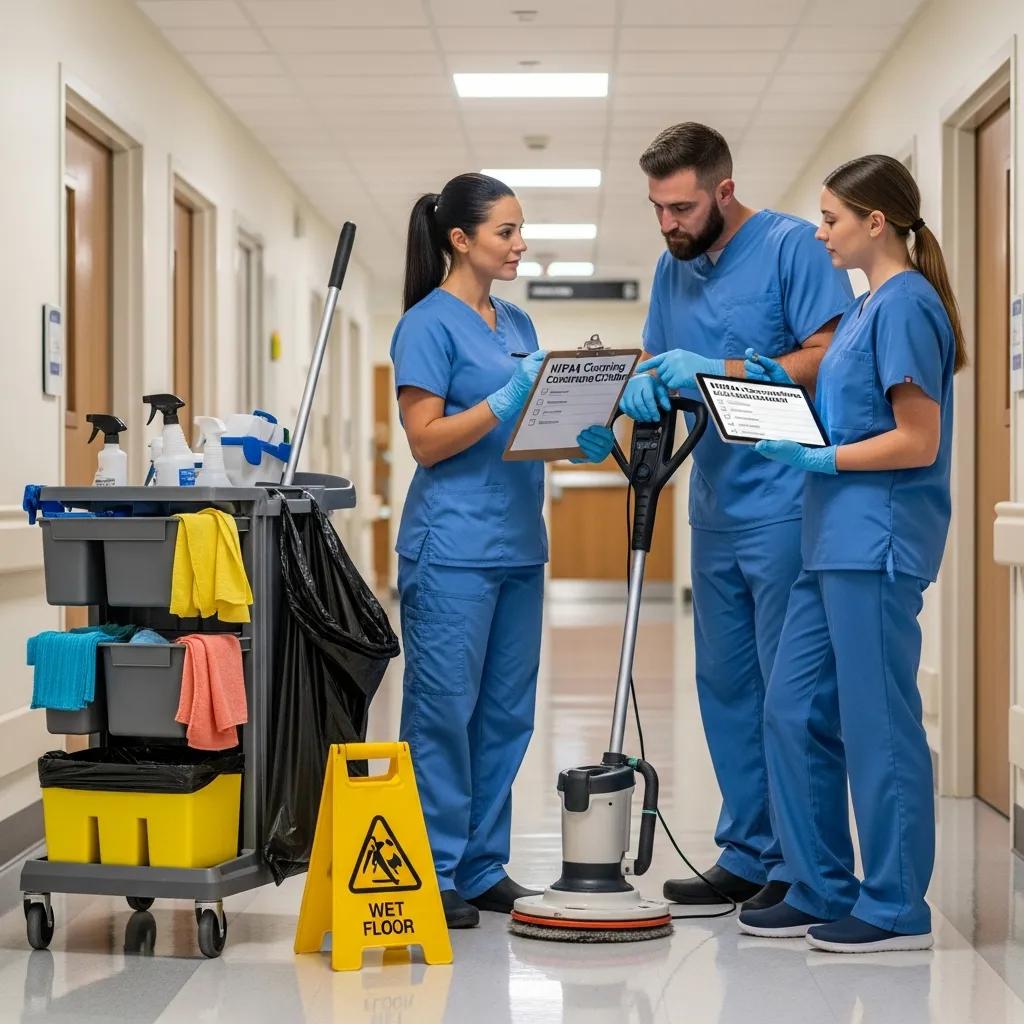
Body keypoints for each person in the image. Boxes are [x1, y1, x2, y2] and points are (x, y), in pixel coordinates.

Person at [620, 123, 854, 910]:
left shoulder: (792, 248)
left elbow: (828, 353)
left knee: (793, 700)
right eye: (656, 208)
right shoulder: (670, 268)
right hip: (714, 506)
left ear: (723, 190)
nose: (668, 224)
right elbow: (662, 363)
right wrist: (648, 385)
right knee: (725, 688)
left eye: (681, 207)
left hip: (787, 504)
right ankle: (748, 851)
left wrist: (711, 371)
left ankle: (802, 865)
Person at [738, 154, 964, 952]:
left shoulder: (907, 304)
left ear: (877, 221)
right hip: (826, 540)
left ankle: (897, 905)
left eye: (832, 218)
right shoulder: (868, 308)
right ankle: (820, 883)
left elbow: (916, 438)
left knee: (878, 724)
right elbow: (854, 412)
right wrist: (780, 390)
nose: (821, 232)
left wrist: (826, 459)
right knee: (792, 707)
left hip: (876, 541)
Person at [391, 172, 615, 929]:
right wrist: (503, 399)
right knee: (442, 715)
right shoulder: (426, 324)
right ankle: (433, 868)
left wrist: (575, 436)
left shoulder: (515, 322)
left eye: (522, 232)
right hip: (451, 546)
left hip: (519, 544)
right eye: (506, 233)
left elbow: (521, 434)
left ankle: (483, 866)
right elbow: (426, 443)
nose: (521, 246)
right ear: (461, 239)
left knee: (506, 715)